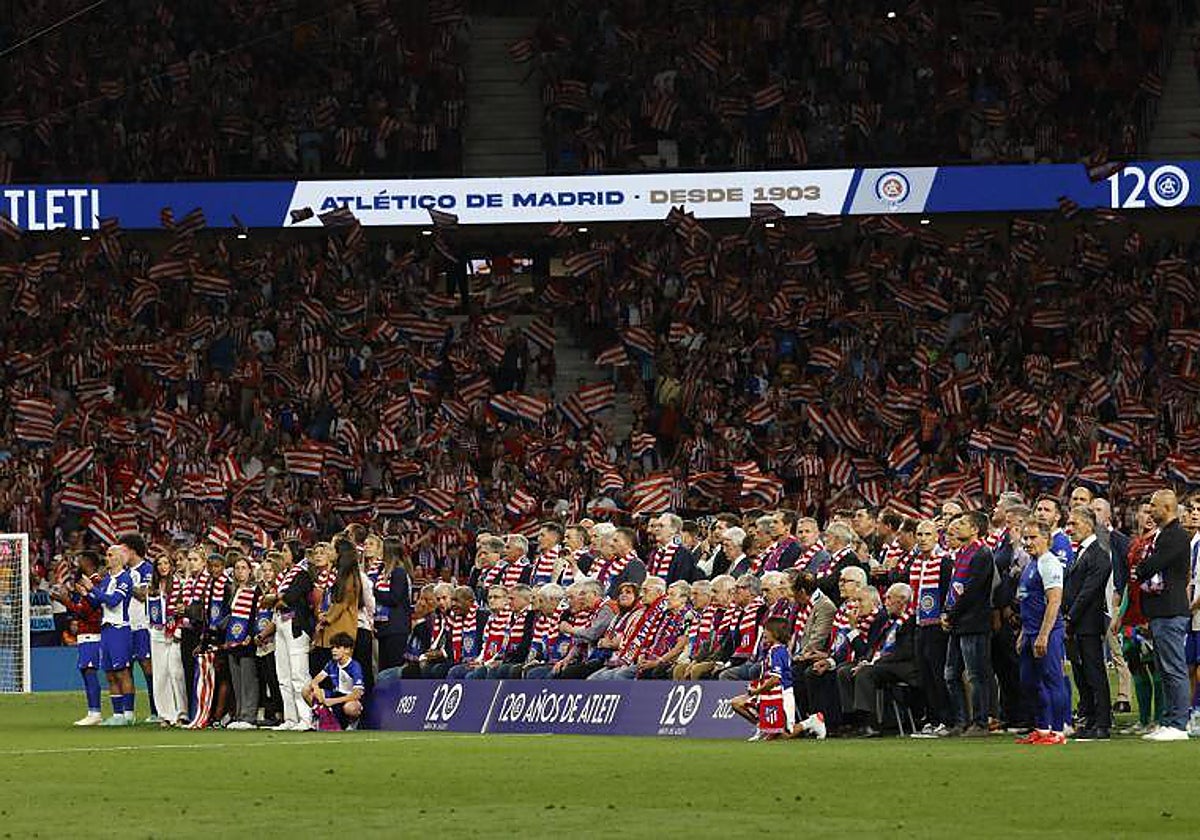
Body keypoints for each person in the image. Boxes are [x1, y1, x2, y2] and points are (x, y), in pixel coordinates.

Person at [1131, 489, 1193, 741]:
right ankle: (1169, 720)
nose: (1149, 510)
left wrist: (1142, 568)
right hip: (1162, 611)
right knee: (1165, 668)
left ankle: (1178, 723)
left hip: (1170, 610)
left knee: (1173, 668)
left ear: (1167, 508)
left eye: (1153, 506)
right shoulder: (1166, 534)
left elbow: (1151, 566)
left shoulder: (1175, 536)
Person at [1014, 520, 1070, 746]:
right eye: (1025, 538)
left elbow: (1054, 600)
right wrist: (1023, 633)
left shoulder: (1049, 563)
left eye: (1033, 537)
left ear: (1046, 538)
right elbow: (1027, 601)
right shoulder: (1031, 564)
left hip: (1047, 632)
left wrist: (1044, 634)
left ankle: (1058, 731)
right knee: (1028, 681)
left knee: (1052, 679)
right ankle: (1042, 728)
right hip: (1029, 631)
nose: (1028, 542)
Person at [839, 583, 918, 737]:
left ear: (902, 600)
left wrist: (873, 663)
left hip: (901, 667)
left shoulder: (910, 620)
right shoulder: (888, 622)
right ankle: (853, 721)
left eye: (889, 598)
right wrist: (866, 660)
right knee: (845, 671)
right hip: (884, 664)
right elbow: (873, 648)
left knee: (866, 673)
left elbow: (904, 652)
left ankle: (871, 724)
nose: (885, 601)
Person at [941, 511, 994, 737]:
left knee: (976, 675)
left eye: (963, 523)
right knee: (951, 674)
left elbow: (972, 591)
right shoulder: (961, 553)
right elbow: (956, 587)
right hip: (958, 622)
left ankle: (980, 722)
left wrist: (951, 614)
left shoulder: (981, 554)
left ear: (974, 530)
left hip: (973, 622)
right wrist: (947, 612)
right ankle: (961, 721)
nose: (956, 527)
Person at [1062, 505, 1112, 740]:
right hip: (1077, 625)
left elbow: (1088, 592)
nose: (1069, 529)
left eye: (1074, 524)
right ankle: (1090, 718)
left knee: (1094, 673)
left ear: (1089, 524)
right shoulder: (1080, 552)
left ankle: (1102, 722)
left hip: (1088, 624)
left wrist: (1070, 617)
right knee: (1081, 675)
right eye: (1069, 524)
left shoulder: (1099, 554)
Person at [266, 541, 314, 731]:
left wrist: (276, 600)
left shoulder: (302, 574)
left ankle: (306, 717)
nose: (282, 554)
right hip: (281, 625)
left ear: (295, 553)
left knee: (298, 674)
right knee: (283, 675)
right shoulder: (285, 576)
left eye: (285, 551)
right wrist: (276, 600)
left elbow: (289, 599)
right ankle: (290, 718)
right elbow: (274, 599)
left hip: (296, 626)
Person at [86, 545, 135, 725]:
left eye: (110, 555)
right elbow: (97, 603)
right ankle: (117, 714)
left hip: (119, 628)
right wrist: (86, 593)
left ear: (119, 559)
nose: (107, 558)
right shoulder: (106, 580)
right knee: (109, 673)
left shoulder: (125, 579)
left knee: (122, 672)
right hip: (106, 629)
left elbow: (114, 601)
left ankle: (129, 713)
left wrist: (94, 589)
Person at [57, 550, 104, 725]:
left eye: (80, 559)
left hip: (93, 633)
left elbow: (90, 612)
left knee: (90, 670)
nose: (77, 562)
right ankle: (93, 711)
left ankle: (95, 713)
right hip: (85, 634)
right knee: (85, 670)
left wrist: (65, 602)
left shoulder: (96, 583)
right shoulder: (87, 582)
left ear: (88, 562)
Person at [732, 617, 795, 741]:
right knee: (737, 703)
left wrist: (756, 691)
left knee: (784, 735)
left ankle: (811, 723)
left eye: (766, 630)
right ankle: (762, 726)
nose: (764, 633)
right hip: (768, 694)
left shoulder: (778, 652)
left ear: (775, 633)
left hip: (781, 694)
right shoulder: (771, 650)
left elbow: (775, 680)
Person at [147, 552, 187, 727]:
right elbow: (148, 611)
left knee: (176, 673)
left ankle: (181, 712)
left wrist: (178, 630)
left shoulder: (179, 584)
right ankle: (165, 713)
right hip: (157, 633)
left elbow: (183, 609)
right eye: (159, 564)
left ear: (171, 566)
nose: (163, 567)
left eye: (166, 563)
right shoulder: (152, 587)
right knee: (160, 675)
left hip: (174, 634)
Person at [120, 535, 157, 723]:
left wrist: (126, 584)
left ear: (132, 551)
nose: (120, 554)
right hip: (126, 626)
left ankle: (156, 711)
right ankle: (128, 714)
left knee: (148, 669)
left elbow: (144, 595)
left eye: (123, 550)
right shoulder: (123, 571)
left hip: (143, 626)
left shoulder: (147, 569)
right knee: (125, 669)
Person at [223, 556, 260, 730]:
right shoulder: (233, 590)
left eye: (243, 568)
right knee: (236, 679)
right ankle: (239, 713)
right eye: (237, 568)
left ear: (250, 570)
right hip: (232, 639)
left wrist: (251, 634)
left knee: (248, 678)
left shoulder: (255, 590)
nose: (240, 571)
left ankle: (249, 715)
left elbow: (257, 615)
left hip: (247, 640)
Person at [303, 632, 365, 731]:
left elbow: (356, 694)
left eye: (337, 648)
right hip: (334, 694)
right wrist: (318, 691)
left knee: (350, 708)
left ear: (347, 650)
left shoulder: (354, 667)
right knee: (306, 690)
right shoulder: (331, 663)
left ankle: (352, 722)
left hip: (348, 698)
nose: (333, 651)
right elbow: (315, 681)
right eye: (332, 648)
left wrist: (332, 701)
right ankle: (318, 714)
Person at [374, 536, 414, 675]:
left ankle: (396, 696)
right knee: (383, 670)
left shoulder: (399, 572)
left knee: (393, 670)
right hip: (384, 628)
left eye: (380, 548)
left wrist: (372, 591)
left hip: (396, 628)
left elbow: (394, 598)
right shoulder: (381, 572)